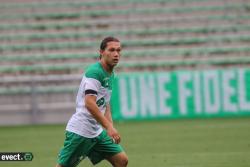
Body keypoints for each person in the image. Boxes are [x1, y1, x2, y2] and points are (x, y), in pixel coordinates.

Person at [56, 37, 128, 167]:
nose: (116, 54)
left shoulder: (111, 74)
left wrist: (110, 127)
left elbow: (105, 104)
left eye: (118, 50)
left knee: (121, 160)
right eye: (111, 50)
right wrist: (108, 127)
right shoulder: (94, 72)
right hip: (81, 131)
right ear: (101, 52)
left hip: (97, 132)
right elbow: (90, 103)